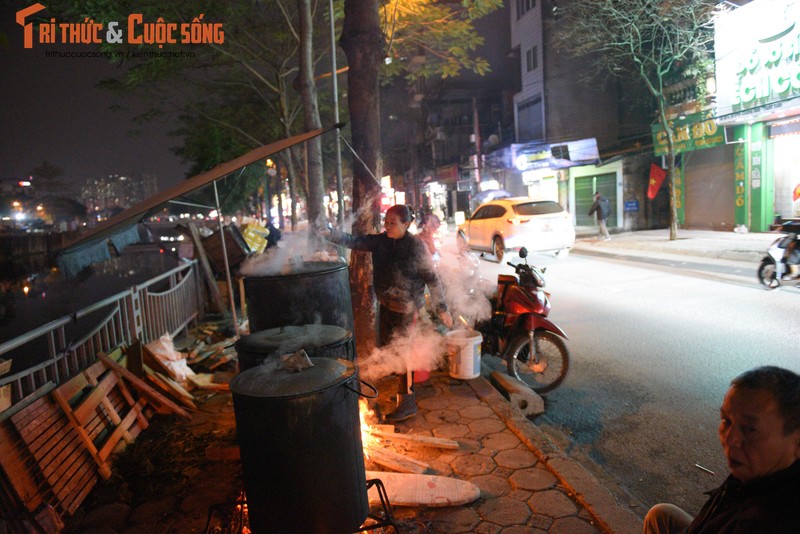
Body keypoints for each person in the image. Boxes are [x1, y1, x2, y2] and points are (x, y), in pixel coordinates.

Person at [323, 204, 453, 421]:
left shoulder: (416, 247)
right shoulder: (381, 242)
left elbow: (432, 279)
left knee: (405, 354)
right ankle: (398, 391)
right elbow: (355, 241)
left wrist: (442, 308)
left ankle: (408, 402)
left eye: (393, 222)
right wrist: (331, 234)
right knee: (389, 349)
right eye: (386, 221)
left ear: (407, 224)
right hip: (387, 306)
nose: (387, 226)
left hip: (408, 310)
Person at [642, 366, 800, 534]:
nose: (729, 439)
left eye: (750, 429)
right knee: (661, 514)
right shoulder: (757, 476)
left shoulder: (770, 521)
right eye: (726, 420)